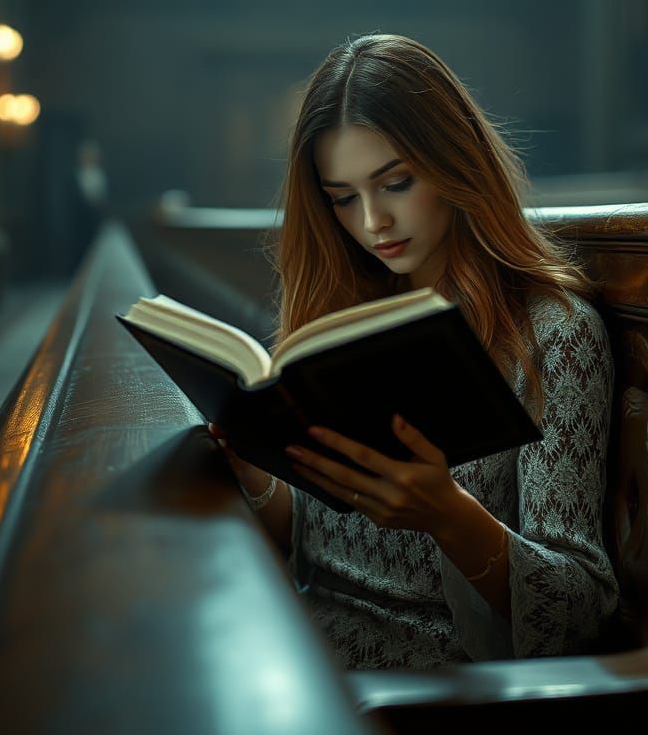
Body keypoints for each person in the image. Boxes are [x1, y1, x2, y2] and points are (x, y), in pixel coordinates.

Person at [210, 34, 618, 669]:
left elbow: (579, 613)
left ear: (455, 165)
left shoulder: (553, 335)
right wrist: (254, 472)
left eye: (395, 183)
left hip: (433, 680)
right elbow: (324, 549)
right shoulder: (343, 321)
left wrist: (450, 516)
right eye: (343, 198)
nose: (373, 221)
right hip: (301, 651)